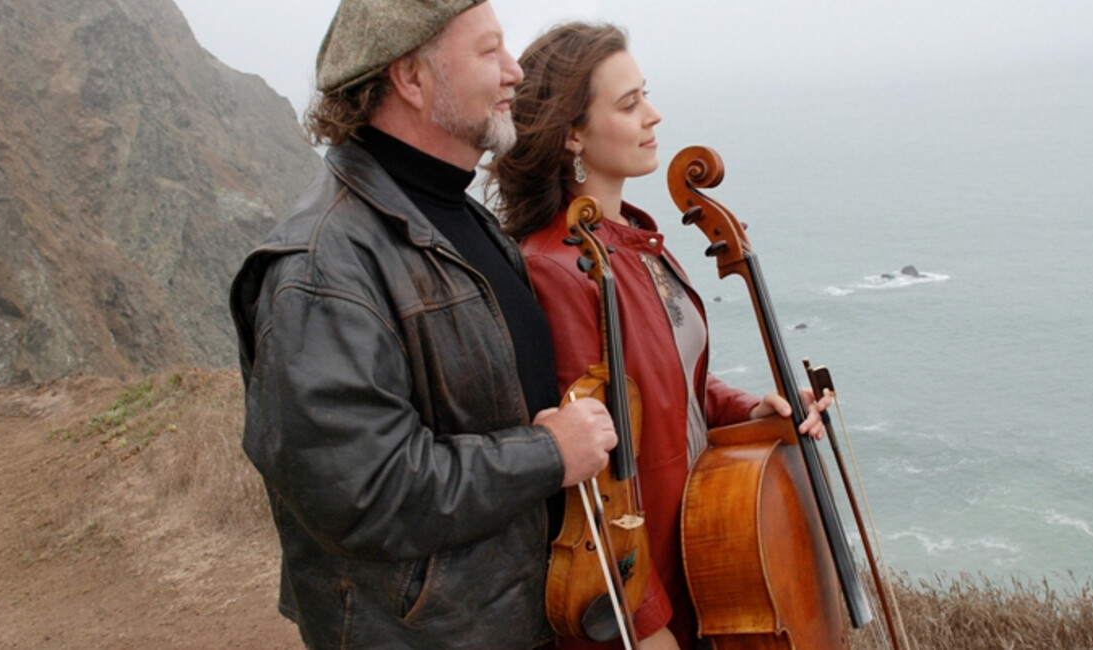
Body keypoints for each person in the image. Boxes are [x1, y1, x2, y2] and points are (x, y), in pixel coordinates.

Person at [228, 2, 618, 648]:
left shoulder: (463, 220)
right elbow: (362, 490)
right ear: (411, 78)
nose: (515, 71)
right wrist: (547, 455)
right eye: (490, 52)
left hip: (516, 621)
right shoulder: (323, 265)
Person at [489, 22, 831, 650]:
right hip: (648, 590)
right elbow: (588, 480)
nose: (654, 115)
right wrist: (643, 623)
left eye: (645, 94)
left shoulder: (639, 243)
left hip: (700, 559)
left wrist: (748, 408)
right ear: (572, 134)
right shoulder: (558, 268)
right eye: (629, 104)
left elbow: (671, 386)